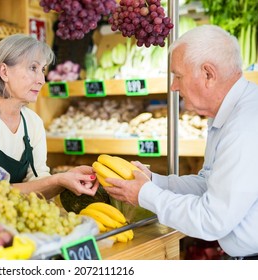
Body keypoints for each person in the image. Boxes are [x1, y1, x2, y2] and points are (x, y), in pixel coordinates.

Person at [103, 25, 258, 260]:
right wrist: (154, 181)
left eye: (178, 76)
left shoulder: (245, 126)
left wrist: (145, 195)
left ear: (208, 74)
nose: (174, 87)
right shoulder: (229, 114)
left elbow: (212, 220)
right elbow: (210, 184)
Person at [0, 34, 99, 199]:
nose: (41, 80)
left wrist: (65, 180)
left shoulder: (33, 122)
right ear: (4, 72)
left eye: (43, 70)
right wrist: (58, 179)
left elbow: (39, 184)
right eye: (33, 68)